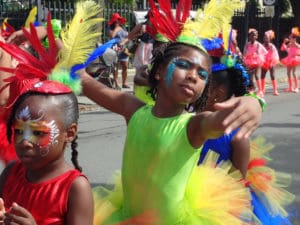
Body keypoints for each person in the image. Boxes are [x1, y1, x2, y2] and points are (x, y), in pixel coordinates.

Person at [82, 0, 264, 224]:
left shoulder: (193, 126)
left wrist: (253, 102)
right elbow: (87, 84)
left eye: (202, 75)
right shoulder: (133, 109)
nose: (193, 76)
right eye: (184, 65)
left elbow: (217, 121)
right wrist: (64, 66)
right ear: (158, 71)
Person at [195, 34, 295, 224]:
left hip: (221, 208)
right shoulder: (189, 121)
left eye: (201, 85)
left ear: (217, 93)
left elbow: (237, 181)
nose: (193, 88)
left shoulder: (237, 137)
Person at [107, 13, 130, 90]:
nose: (118, 21)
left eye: (119, 19)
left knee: (125, 66)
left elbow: (128, 36)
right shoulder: (110, 27)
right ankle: (116, 82)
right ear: (114, 21)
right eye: (117, 20)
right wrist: (117, 28)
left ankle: (124, 83)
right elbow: (112, 36)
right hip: (115, 48)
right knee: (115, 66)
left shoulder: (123, 27)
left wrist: (124, 42)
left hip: (123, 49)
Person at [243, 28, 268, 96]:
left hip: (257, 61)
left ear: (256, 36)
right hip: (249, 61)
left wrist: (255, 55)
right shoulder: (247, 44)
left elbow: (263, 52)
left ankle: (260, 91)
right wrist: (244, 58)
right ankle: (252, 89)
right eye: (251, 35)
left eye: (254, 35)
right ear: (249, 37)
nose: (252, 37)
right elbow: (245, 53)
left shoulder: (258, 45)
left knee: (257, 75)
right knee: (250, 76)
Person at [280, 27, 300, 93]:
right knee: (288, 73)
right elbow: (283, 49)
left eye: (290, 38)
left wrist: (296, 54)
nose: (289, 39)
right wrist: (284, 42)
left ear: (294, 39)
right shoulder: (289, 44)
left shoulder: (296, 45)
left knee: (294, 73)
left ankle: (296, 87)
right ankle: (290, 87)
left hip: (295, 59)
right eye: (289, 38)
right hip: (289, 59)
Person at [260, 30, 280, 96]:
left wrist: (272, 62)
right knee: (262, 75)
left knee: (272, 75)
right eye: (265, 38)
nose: (265, 39)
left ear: (269, 39)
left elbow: (275, 54)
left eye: (267, 38)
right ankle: (262, 90)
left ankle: (275, 90)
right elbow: (260, 53)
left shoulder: (272, 46)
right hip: (264, 62)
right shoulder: (262, 46)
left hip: (271, 61)